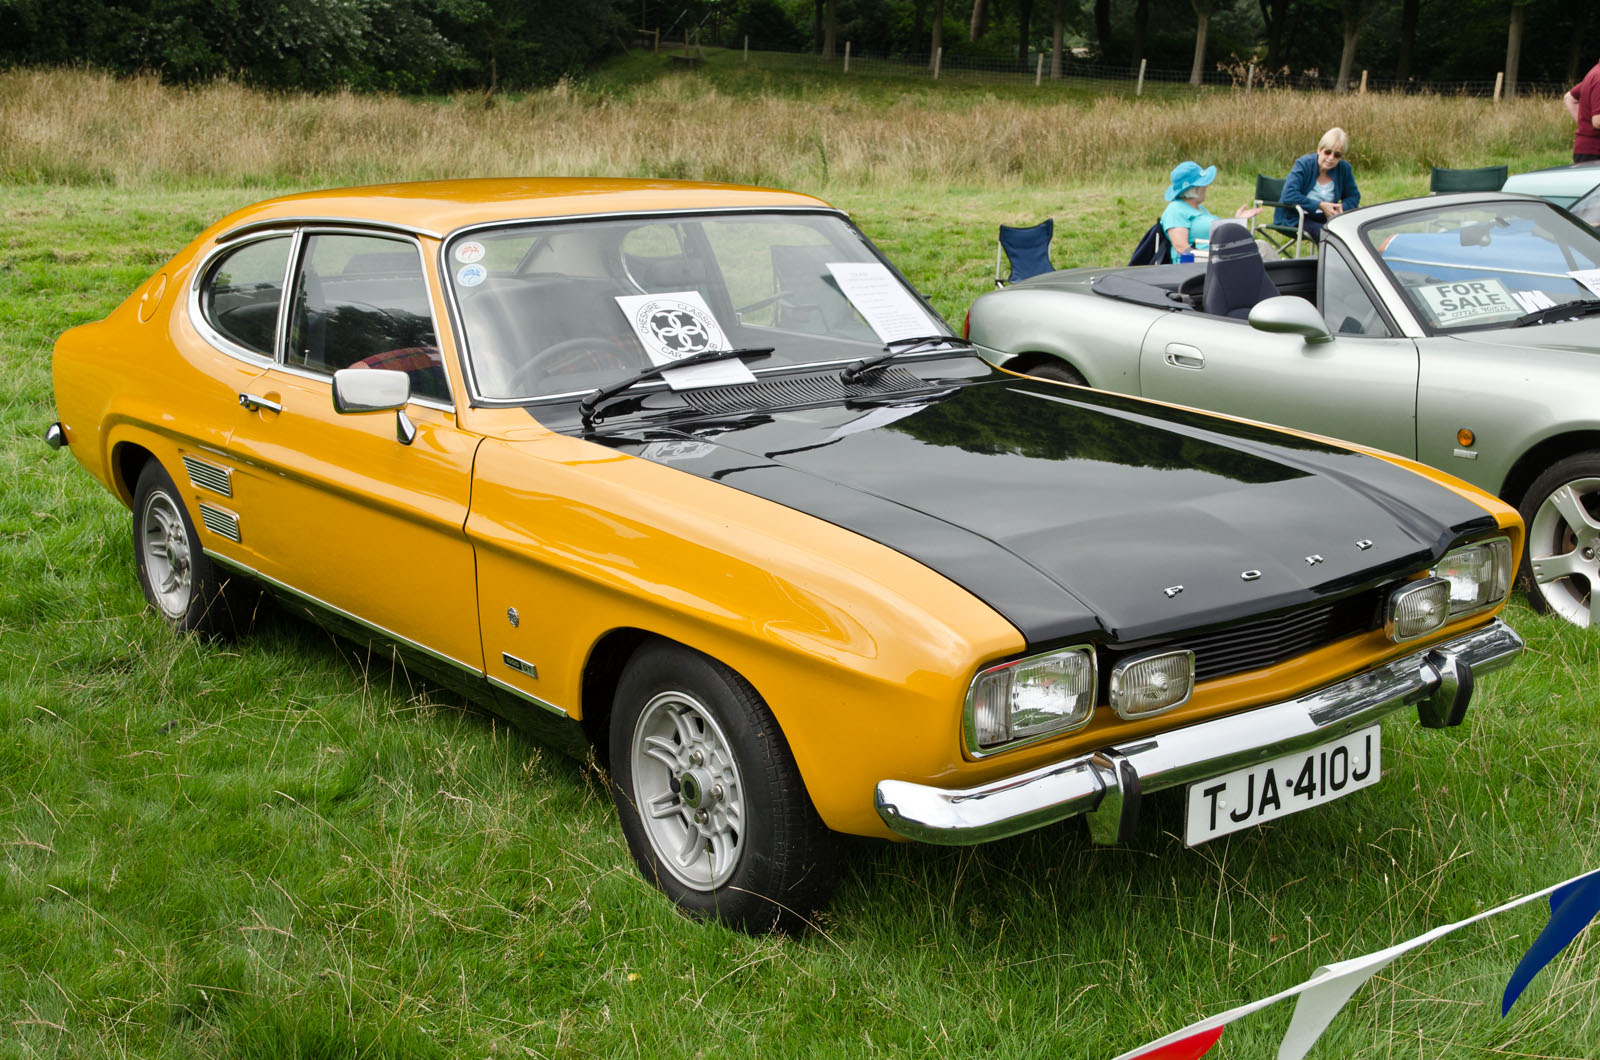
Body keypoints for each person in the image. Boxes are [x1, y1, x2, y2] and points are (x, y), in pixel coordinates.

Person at [1160, 161, 1259, 263]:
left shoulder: (1200, 209)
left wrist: (1238, 221)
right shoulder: (1175, 210)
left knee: (1260, 246)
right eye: (1203, 184)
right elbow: (1182, 248)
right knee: (1260, 251)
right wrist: (1218, 257)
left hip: (1220, 258)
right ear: (1194, 189)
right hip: (1201, 266)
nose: (1207, 187)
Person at [1277, 128, 1361, 243]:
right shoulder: (1303, 164)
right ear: (1319, 150)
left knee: (1352, 233)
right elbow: (1288, 195)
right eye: (1327, 152)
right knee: (1327, 236)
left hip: (1327, 217)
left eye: (1337, 155)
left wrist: (1340, 208)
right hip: (1298, 217)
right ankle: (1326, 261)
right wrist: (1320, 205)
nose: (1331, 158)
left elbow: (1353, 197)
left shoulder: (1344, 168)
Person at [1565, 58, 1600, 163]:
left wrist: (1585, 126)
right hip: (1594, 154)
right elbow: (1598, 121)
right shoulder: (1598, 77)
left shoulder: (1595, 73)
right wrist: (1587, 126)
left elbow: (1569, 98)